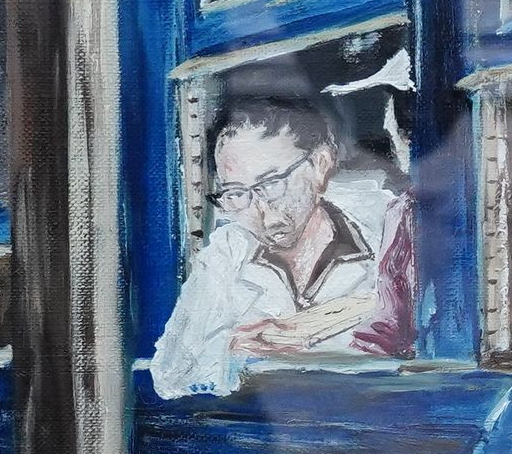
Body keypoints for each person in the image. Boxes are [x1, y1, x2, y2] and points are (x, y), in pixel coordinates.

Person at [144, 95, 411, 399]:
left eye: (271, 184)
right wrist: (231, 349)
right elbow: (169, 374)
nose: (261, 212)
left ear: (320, 165)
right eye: (236, 193)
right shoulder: (227, 252)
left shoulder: (390, 230)